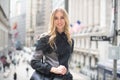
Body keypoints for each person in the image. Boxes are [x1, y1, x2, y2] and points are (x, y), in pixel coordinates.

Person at [30, 8, 74, 80]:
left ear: (66, 19)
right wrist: (54, 69)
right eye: (56, 18)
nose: (59, 21)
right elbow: (34, 62)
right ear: (52, 20)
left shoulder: (70, 40)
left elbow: (67, 63)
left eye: (62, 17)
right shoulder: (45, 39)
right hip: (50, 77)